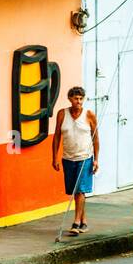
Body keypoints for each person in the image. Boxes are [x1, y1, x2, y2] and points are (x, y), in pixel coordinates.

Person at [51, 86, 99, 236]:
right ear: (70, 99)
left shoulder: (89, 115)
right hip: (68, 157)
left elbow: (96, 138)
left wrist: (96, 159)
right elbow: (57, 136)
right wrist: (54, 157)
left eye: (81, 99)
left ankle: (76, 222)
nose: (78, 101)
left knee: (80, 190)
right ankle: (84, 221)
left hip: (84, 157)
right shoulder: (62, 114)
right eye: (75, 99)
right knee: (74, 190)